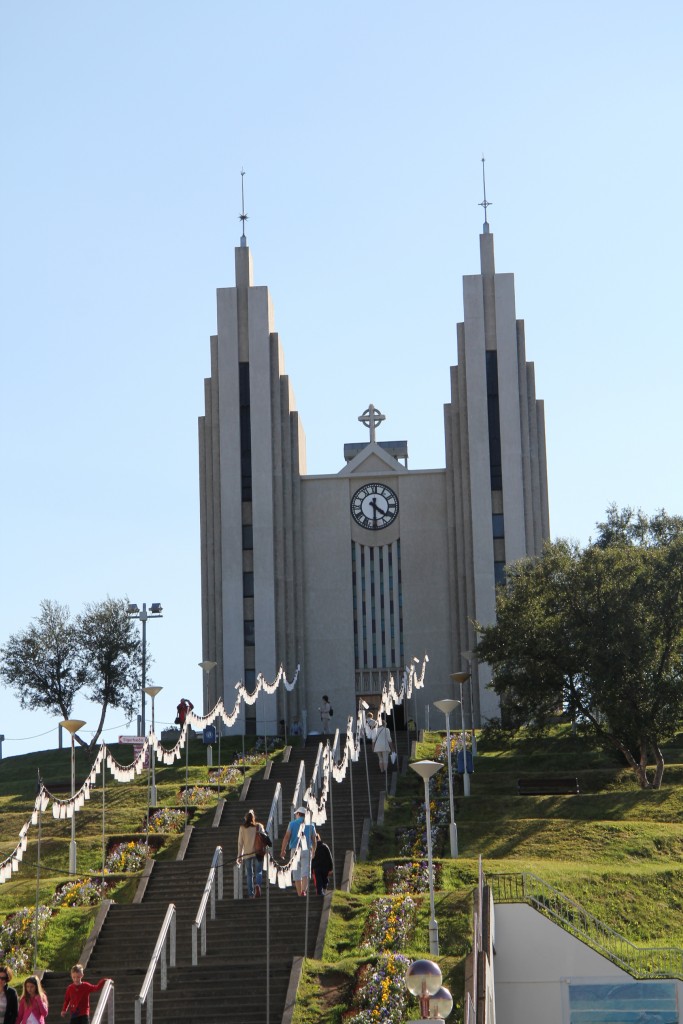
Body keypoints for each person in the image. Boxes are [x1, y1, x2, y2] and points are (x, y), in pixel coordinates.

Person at [280, 806, 316, 896]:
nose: (295, 816)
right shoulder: (311, 825)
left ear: (298, 814)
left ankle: (299, 893)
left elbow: (286, 837)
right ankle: (304, 891)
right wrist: (314, 851)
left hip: (294, 850)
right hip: (306, 850)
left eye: (296, 814)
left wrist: (283, 850)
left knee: (296, 873)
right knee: (305, 872)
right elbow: (314, 839)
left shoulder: (292, 824)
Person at [237, 808, 266, 898]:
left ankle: (250, 894)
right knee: (259, 871)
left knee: (249, 874)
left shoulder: (242, 828)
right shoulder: (259, 826)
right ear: (254, 818)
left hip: (247, 854)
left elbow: (240, 843)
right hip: (258, 852)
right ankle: (258, 885)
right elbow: (264, 838)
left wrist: (239, 856)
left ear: (246, 818)